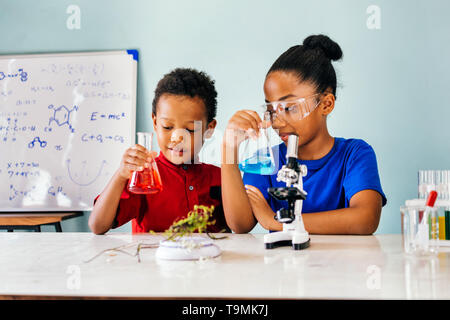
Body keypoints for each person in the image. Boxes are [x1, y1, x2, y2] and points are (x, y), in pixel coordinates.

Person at [221, 34, 387, 235]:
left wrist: (277, 222)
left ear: (326, 104)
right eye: (272, 110)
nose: (277, 122)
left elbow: (365, 220)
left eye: (289, 108)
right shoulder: (265, 161)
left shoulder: (354, 154)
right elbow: (240, 225)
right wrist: (228, 150)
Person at [89, 68, 230, 234]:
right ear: (155, 123)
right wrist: (121, 175)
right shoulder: (144, 176)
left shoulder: (220, 177)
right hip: (153, 259)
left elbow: (240, 227)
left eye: (190, 129)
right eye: (168, 127)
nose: (177, 138)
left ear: (209, 128)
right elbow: (98, 226)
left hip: (208, 259)